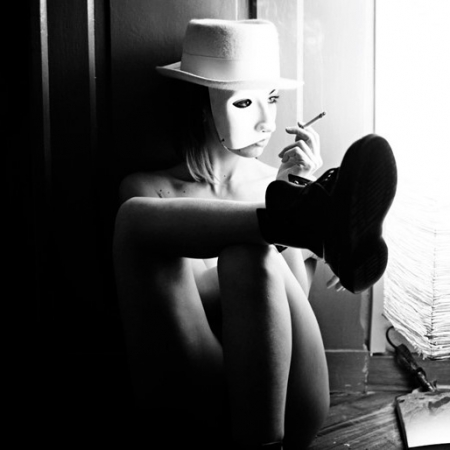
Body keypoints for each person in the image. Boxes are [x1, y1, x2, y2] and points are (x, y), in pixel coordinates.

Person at [113, 19, 397, 449]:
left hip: (288, 397)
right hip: (202, 388)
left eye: (273, 99)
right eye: (245, 103)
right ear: (201, 107)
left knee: (253, 255)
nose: (267, 121)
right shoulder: (151, 191)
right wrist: (276, 218)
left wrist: (288, 189)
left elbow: (291, 297)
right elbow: (190, 304)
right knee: (138, 217)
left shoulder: (275, 183)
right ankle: (304, 222)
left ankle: (299, 221)